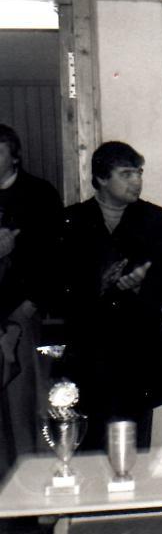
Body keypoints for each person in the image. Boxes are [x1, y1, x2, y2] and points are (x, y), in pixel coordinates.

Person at [61, 141, 162, 451]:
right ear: (101, 177)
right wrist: (97, 285)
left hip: (139, 355)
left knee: (135, 450)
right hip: (89, 355)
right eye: (126, 174)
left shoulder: (156, 219)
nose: (136, 181)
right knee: (89, 452)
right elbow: (57, 292)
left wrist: (139, 286)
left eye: (139, 173)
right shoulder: (71, 221)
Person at [0, 124, 63, 476]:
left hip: (22, 315)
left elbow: (54, 259)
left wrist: (30, 305)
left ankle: (31, 482)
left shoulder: (39, 194)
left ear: (15, 156)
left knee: (24, 402)